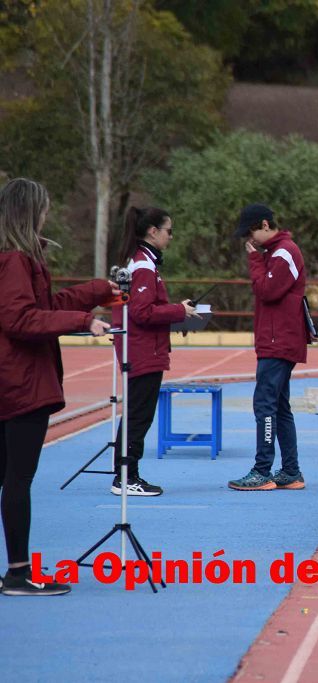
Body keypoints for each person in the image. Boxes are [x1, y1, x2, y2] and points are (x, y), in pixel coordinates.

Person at [0, 178, 115, 595]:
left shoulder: (22, 259)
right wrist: (84, 321)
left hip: (15, 380)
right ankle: (18, 572)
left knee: (7, 478)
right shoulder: (14, 260)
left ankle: (14, 571)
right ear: (31, 212)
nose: (48, 215)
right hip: (20, 383)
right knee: (17, 479)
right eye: (44, 208)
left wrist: (94, 293)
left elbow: (44, 309)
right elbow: (22, 320)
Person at [110, 206, 199, 496]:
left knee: (137, 413)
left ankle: (125, 475)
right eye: (169, 231)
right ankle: (126, 477)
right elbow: (142, 312)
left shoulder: (141, 263)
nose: (171, 237)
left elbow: (145, 311)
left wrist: (177, 314)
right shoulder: (143, 266)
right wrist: (178, 310)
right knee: (139, 415)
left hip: (142, 348)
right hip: (143, 351)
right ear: (153, 231)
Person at [228, 203, 308, 491]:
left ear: (264, 225)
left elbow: (267, 290)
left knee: (264, 405)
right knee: (280, 406)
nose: (249, 241)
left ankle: (262, 471)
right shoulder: (275, 252)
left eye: (251, 232)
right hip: (278, 339)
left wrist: (255, 262)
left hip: (279, 341)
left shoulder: (284, 251)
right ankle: (291, 471)